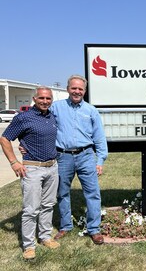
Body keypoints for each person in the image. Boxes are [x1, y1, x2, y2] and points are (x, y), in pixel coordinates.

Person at [0, 87, 60, 260]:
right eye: (41, 98)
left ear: (51, 100)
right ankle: (28, 245)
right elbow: (4, 138)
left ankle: (45, 237)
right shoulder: (24, 117)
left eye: (48, 98)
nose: (45, 101)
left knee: (48, 205)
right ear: (34, 98)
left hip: (52, 166)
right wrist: (14, 162)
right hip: (32, 168)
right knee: (31, 209)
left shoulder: (51, 116)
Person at [52, 75, 108, 245]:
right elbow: (41, 126)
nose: (77, 91)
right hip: (63, 156)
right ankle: (65, 226)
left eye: (80, 89)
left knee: (92, 193)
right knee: (62, 193)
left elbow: (99, 137)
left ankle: (94, 229)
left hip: (86, 156)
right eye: (73, 88)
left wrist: (100, 160)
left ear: (84, 91)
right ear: (68, 89)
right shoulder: (56, 108)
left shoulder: (91, 110)